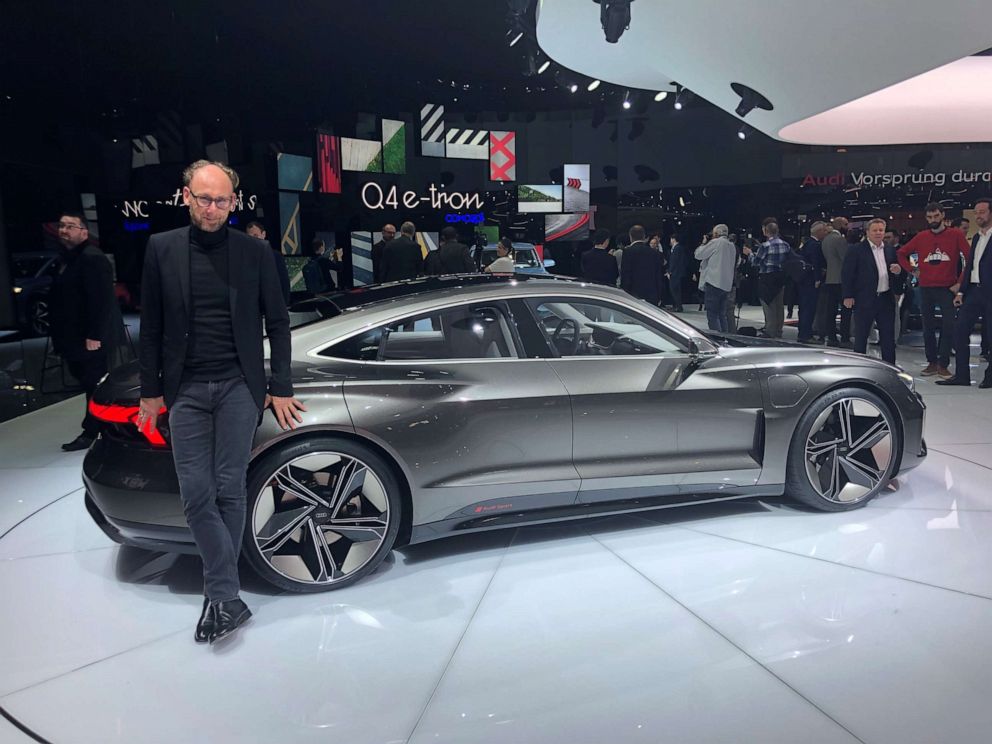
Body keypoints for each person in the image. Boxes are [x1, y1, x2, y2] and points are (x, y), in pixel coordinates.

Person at [137, 160, 305, 645]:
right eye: (204, 198)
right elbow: (150, 328)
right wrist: (151, 390)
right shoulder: (160, 248)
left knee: (230, 489)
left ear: (234, 201)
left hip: (238, 386)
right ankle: (226, 594)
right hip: (185, 389)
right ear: (185, 195)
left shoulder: (254, 252)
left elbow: (278, 322)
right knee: (196, 495)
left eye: (222, 200)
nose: (213, 208)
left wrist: (282, 386)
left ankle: (221, 596)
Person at [49, 211, 118, 451]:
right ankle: (100, 427)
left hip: (90, 337)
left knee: (94, 383)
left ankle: (95, 430)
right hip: (73, 336)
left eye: (70, 226)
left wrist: (95, 335)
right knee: (86, 380)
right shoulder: (66, 259)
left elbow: (102, 301)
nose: (64, 230)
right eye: (62, 226)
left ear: (84, 232)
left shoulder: (92, 258)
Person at [896, 203, 971, 378]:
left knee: (948, 326)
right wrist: (913, 270)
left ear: (943, 215)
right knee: (927, 327)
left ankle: (943, 363)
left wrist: (960, 283)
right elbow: (901, 253)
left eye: (936, 216)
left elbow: (970, 258)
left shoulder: (956, 235)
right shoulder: (922, 236)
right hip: (926, 288)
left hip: (947, 288)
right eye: (929, 217)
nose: (933, 220)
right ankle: (932, 362)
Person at [937, 197, 992, 388]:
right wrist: (961, 291)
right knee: (960, 330)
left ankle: (990, 375)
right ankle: (962, 375)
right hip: (973, 291)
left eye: (982, 212)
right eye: (976, 212)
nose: (978, 216)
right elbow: (970, 266)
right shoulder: (976, 237)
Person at [842, 217, 902, 364]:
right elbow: (848, 273)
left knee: (888, 337)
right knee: (861, 335)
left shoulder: (889, 249)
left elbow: (895, 272)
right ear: (868, 232)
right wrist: (848, 295)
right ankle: (859, 366)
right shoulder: (856, 250)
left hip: (885, 298)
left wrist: (898, 272)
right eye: (875, 230)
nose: (878, 233)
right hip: (865, 298)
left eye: (881, 230)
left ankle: (890, 367)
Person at [744, 221, 790, 338]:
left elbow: (756, 262)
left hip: (767, 277)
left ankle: (770, 331)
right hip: (780, 277)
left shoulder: (765, 246)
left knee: (768, 304)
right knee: (779, 305)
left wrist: (750, 254)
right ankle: (778, 331)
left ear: (766, 231)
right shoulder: (785, 245)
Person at [814, 217, 851, 346]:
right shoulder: (839, 240)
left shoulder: (826, 240)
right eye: (846, 224)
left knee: (831, 310)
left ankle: (831, 337)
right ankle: (845, 338)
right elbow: (846, 259)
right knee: (846, 310)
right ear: (840, 225)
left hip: (830, 278)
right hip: (841, 279)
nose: (848, 226)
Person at [694, 224, 736, 332]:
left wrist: (704, 243)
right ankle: (725, 338)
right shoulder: (732, 246)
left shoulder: (716, 242)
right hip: (726, 285)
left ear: (716, 234)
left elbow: (698, 254)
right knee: (722, 315)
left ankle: (717, 339)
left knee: (712, 315)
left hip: (714, 282)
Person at [246, 221, 290, 306]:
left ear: (263, 234)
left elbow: (284, 284)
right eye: (249, 237)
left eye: (256, 235)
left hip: (273, 307)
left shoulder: (275, 256)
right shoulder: (244, 258)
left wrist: (284, 306)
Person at [797, 222, 828, 343]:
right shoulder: (815, 245)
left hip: (804, 280)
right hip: (811, 281)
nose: (826, 233)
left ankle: (803, 333)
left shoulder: (806, 243)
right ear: (819, 232)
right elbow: (816, 263)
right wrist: (817, 279)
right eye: (824, 231)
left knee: (804, 307)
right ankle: (806, 335)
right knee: (809, 308)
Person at [620, 225, 664, 305]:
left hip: (633, 295)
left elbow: (626, 275)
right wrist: (659, 295)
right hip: (651, 294)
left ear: (630, 236)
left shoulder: (628, 252)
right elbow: (658, 276)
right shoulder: (654, 253)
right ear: (644, 236)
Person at [666, 234, 687, 311]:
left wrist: (669, 271)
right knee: (675, 289)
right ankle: (676, 305)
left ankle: (678, 306)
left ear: (673, 239)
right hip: (676, 272)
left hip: (675, 272)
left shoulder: (677, 248)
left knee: (674, 289)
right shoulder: (677, 248)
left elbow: (674, 261)